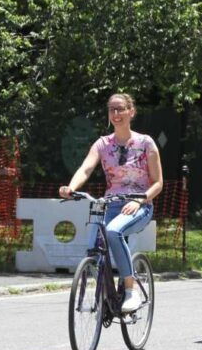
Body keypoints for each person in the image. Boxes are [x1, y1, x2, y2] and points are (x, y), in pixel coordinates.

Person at [59, 93, 163, 313]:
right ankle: (105, 293)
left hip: (140, 205)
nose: (116, 114)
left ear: (131, 112)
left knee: (113, 231)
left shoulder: (146, 143)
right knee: (95, 243)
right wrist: (71, 187)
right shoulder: (103, 144)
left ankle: (130, 290)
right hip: (110, 203)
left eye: (120, 109)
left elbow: (158, 184)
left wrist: (140, 200)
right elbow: (86, 168)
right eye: (112, 109)